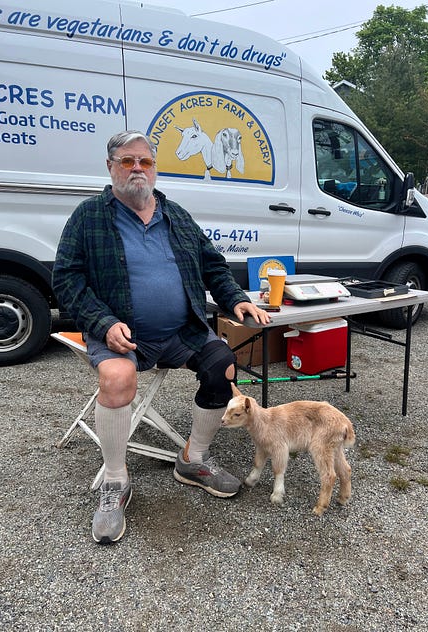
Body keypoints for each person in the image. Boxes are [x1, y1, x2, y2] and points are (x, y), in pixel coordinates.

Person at [52, 130, 271, 544]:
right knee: (117, 380)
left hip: (180, 330)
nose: (137, 169)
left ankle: (194, 459)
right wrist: (101, 322)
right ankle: (115, 482)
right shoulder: (89, 217)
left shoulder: (177, 216)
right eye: (127, 161)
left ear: (155, 168)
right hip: (120, 332)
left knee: (222, 364)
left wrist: (235, 299)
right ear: (110, 167)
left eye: (145, 162)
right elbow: (65, 280)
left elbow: (214, 267)